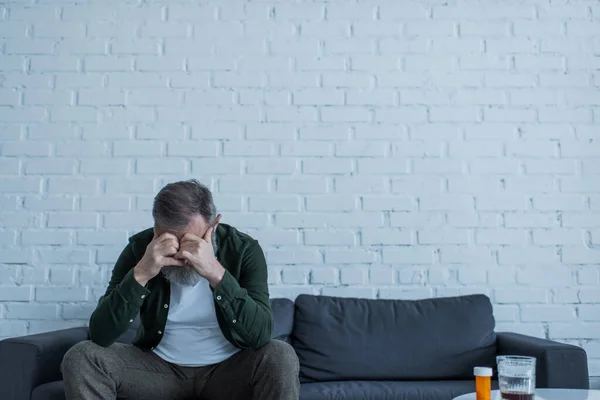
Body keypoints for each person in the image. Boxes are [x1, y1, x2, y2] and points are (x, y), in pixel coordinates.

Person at [61, 179, 300, 400]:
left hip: (229, 370)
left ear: (214, 224)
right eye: (169, 239)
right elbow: (100, 335)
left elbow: (261, 335)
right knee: (82, 356)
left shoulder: (244, 250)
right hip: (157, 369)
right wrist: (141, 273)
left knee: (280, 354)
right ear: (155, 227)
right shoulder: (138, 250)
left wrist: (216, 273)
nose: (181, 253)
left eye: (192, 241)